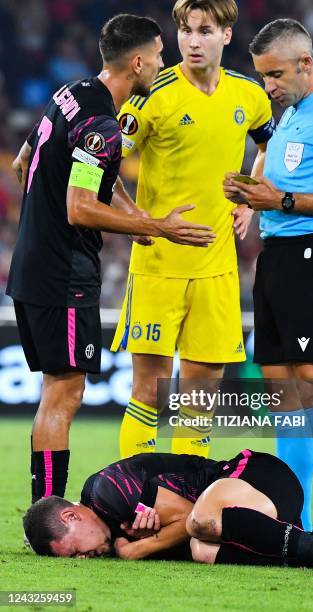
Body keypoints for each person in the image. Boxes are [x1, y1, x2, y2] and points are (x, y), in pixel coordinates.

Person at [6, 14, 215, 505]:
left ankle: (45, 507)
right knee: (65, 395)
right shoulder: (102, 122)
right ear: (138, 62)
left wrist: (133, 213)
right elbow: (79, 208)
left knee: (54, 394)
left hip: (31, 264)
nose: (164, 63)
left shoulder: (72, 94)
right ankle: (53, 511)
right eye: (160, 55)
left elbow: (23, 162)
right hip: (63, 276)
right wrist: (156, 226)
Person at [224, 19, 313, 542]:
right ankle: (295, 520)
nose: (269, 85)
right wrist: (250, 192)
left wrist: (280, 201)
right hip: (277, 257)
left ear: (305, 63)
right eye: (263, 76)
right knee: (282, 395)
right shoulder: (290, 115)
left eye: (275, 74)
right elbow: (283, 182)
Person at [110, 0, 274, 459]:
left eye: (204, 30)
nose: (192, 41)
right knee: (149, 389)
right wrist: (137, 221)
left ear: (226, 34)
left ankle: (182, 506)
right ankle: (133, 498)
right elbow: (104, 164)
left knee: (200, 396)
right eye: (184, 30)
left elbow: (268, 144)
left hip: (217, 269)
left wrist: (249, 196)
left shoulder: (248, 94)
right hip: (159, 267)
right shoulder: (152, 95)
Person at [23, 450, 313, 572]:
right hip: (261, 512)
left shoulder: (105, 492)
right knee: (203, 551)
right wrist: (158, 535)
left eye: (76, 550)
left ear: (71, 516)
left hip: (257, 476)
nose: (86, 558)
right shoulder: (115, 525)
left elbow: (191, 516)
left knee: (203, 524)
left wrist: (141, 547)